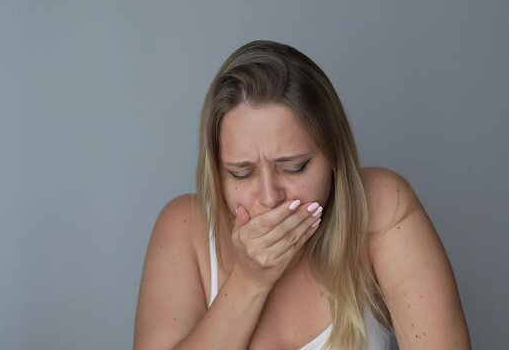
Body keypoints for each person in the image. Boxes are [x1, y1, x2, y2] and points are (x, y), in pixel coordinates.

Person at [133, 40, 471, 349]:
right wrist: (250, 281)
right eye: (241, 172)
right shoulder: (183, 226)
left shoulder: (382, 205)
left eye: (294, 167)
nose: (269, 197)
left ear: (335, 156)